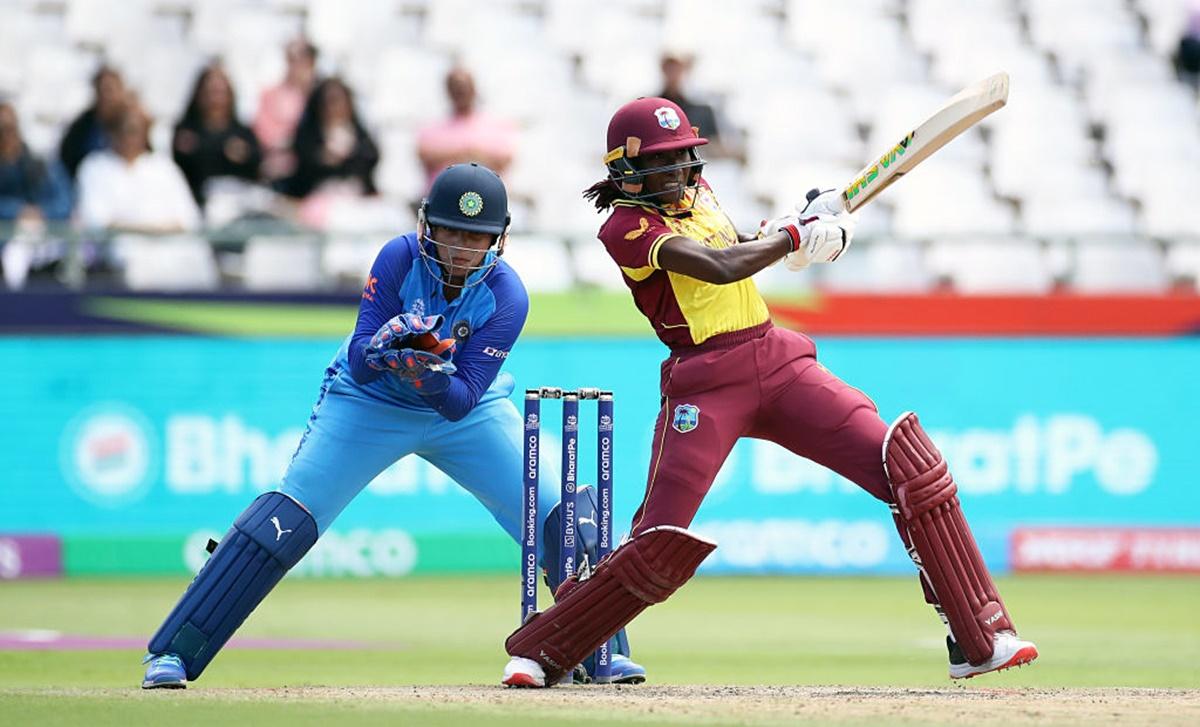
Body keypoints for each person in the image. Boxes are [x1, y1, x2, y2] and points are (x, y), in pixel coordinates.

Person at [500, 98, 1039, 687]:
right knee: (658, 541)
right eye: (666, 163)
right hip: (704, 385)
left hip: (777, 360)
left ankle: (978, 637)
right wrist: (792, 235)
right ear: (627, 172)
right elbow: (719, 265)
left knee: (908, 464)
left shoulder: (697, 197)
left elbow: (740, 242)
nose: (682, 173)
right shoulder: (625, 227)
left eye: (685, 158)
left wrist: (806, 227)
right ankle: (545, 649)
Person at [140, 163, 646, 689]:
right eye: (449, 231)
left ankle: (599, 651)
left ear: (498, 239)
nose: (459, 248)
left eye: (475, 237)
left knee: (565, 515)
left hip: (465, 413)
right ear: (427, 225)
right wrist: (387, 353)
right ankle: (173, 652)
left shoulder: (508, 295)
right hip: (368, 402)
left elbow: (461, 399)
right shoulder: (399, 257)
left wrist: (425, 374)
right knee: (283, 522)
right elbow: (359, 359)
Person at [77, 105, 200, 234]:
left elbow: (189, 219)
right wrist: (148, 230)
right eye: (126, 129)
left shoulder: (164, 167)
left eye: (136, 130)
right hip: (117, 250)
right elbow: (96, 221)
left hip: (171, 250)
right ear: (111, 131)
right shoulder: (95, 167)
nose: (130, 137)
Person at [172, 62, 263, 208]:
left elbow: (256, 166)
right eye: (210, 92)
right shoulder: (186, 130)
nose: (215, 100)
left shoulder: (242, 132)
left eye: (220, 92)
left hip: (238, 201)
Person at [416, 67, 517, 192]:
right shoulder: (430, 128)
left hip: (488, 201)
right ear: (448, 90)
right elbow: (425, 156)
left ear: (474, 89)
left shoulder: (498, 125)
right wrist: (470, 154)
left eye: (464, 86)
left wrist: (450, 156)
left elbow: (503, 161)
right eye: (455, 87)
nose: (460, 90)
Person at [279, 77, 379, 200]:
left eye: (339, 100)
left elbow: (371, 159)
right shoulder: (309, 134)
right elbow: (305, 167)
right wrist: (325, 158)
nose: (335, 107)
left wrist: (348, 154)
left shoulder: (359, 134)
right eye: (330, 101)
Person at [254, 38, 319, 181]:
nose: (297, 65)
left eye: (303, 59)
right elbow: (263, 131)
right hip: (280, 165)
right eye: (292, 59)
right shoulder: (270, 94)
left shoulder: (322, 94)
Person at [657, 53, 740, 161]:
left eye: (676, 68)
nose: (673, 73)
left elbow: (714, 147)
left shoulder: (703, 112)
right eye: (670, 68)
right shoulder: (652, 110)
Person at [0, 101, 72, 224]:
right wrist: (17, 211)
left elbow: (64, 203)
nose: (6, 136)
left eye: (10, 129)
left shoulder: (41, 164)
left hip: (43, 236)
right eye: (2, 131)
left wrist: (40, 213)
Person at [59, 66, 129, 180]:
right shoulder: (81, 130)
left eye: (111, 90)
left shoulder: (134, 127)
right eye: (102, 90)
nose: (107, 97)